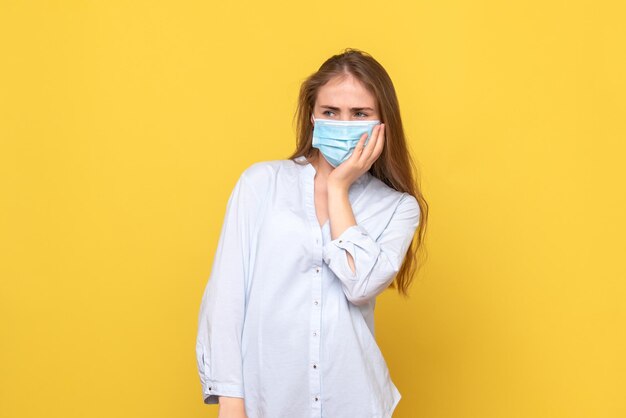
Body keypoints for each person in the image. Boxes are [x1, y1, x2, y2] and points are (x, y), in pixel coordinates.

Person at [195, 48, 428, 418]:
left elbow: (360, 284)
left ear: (382, 123)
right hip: (267, 400)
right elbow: (226, 297)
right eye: (331, 112)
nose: (344, 122)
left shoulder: (397, 207)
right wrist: (231, 399)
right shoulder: (261, 184)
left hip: (352, 401)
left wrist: (338, 189)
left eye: (360, 114)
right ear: (312, 116)